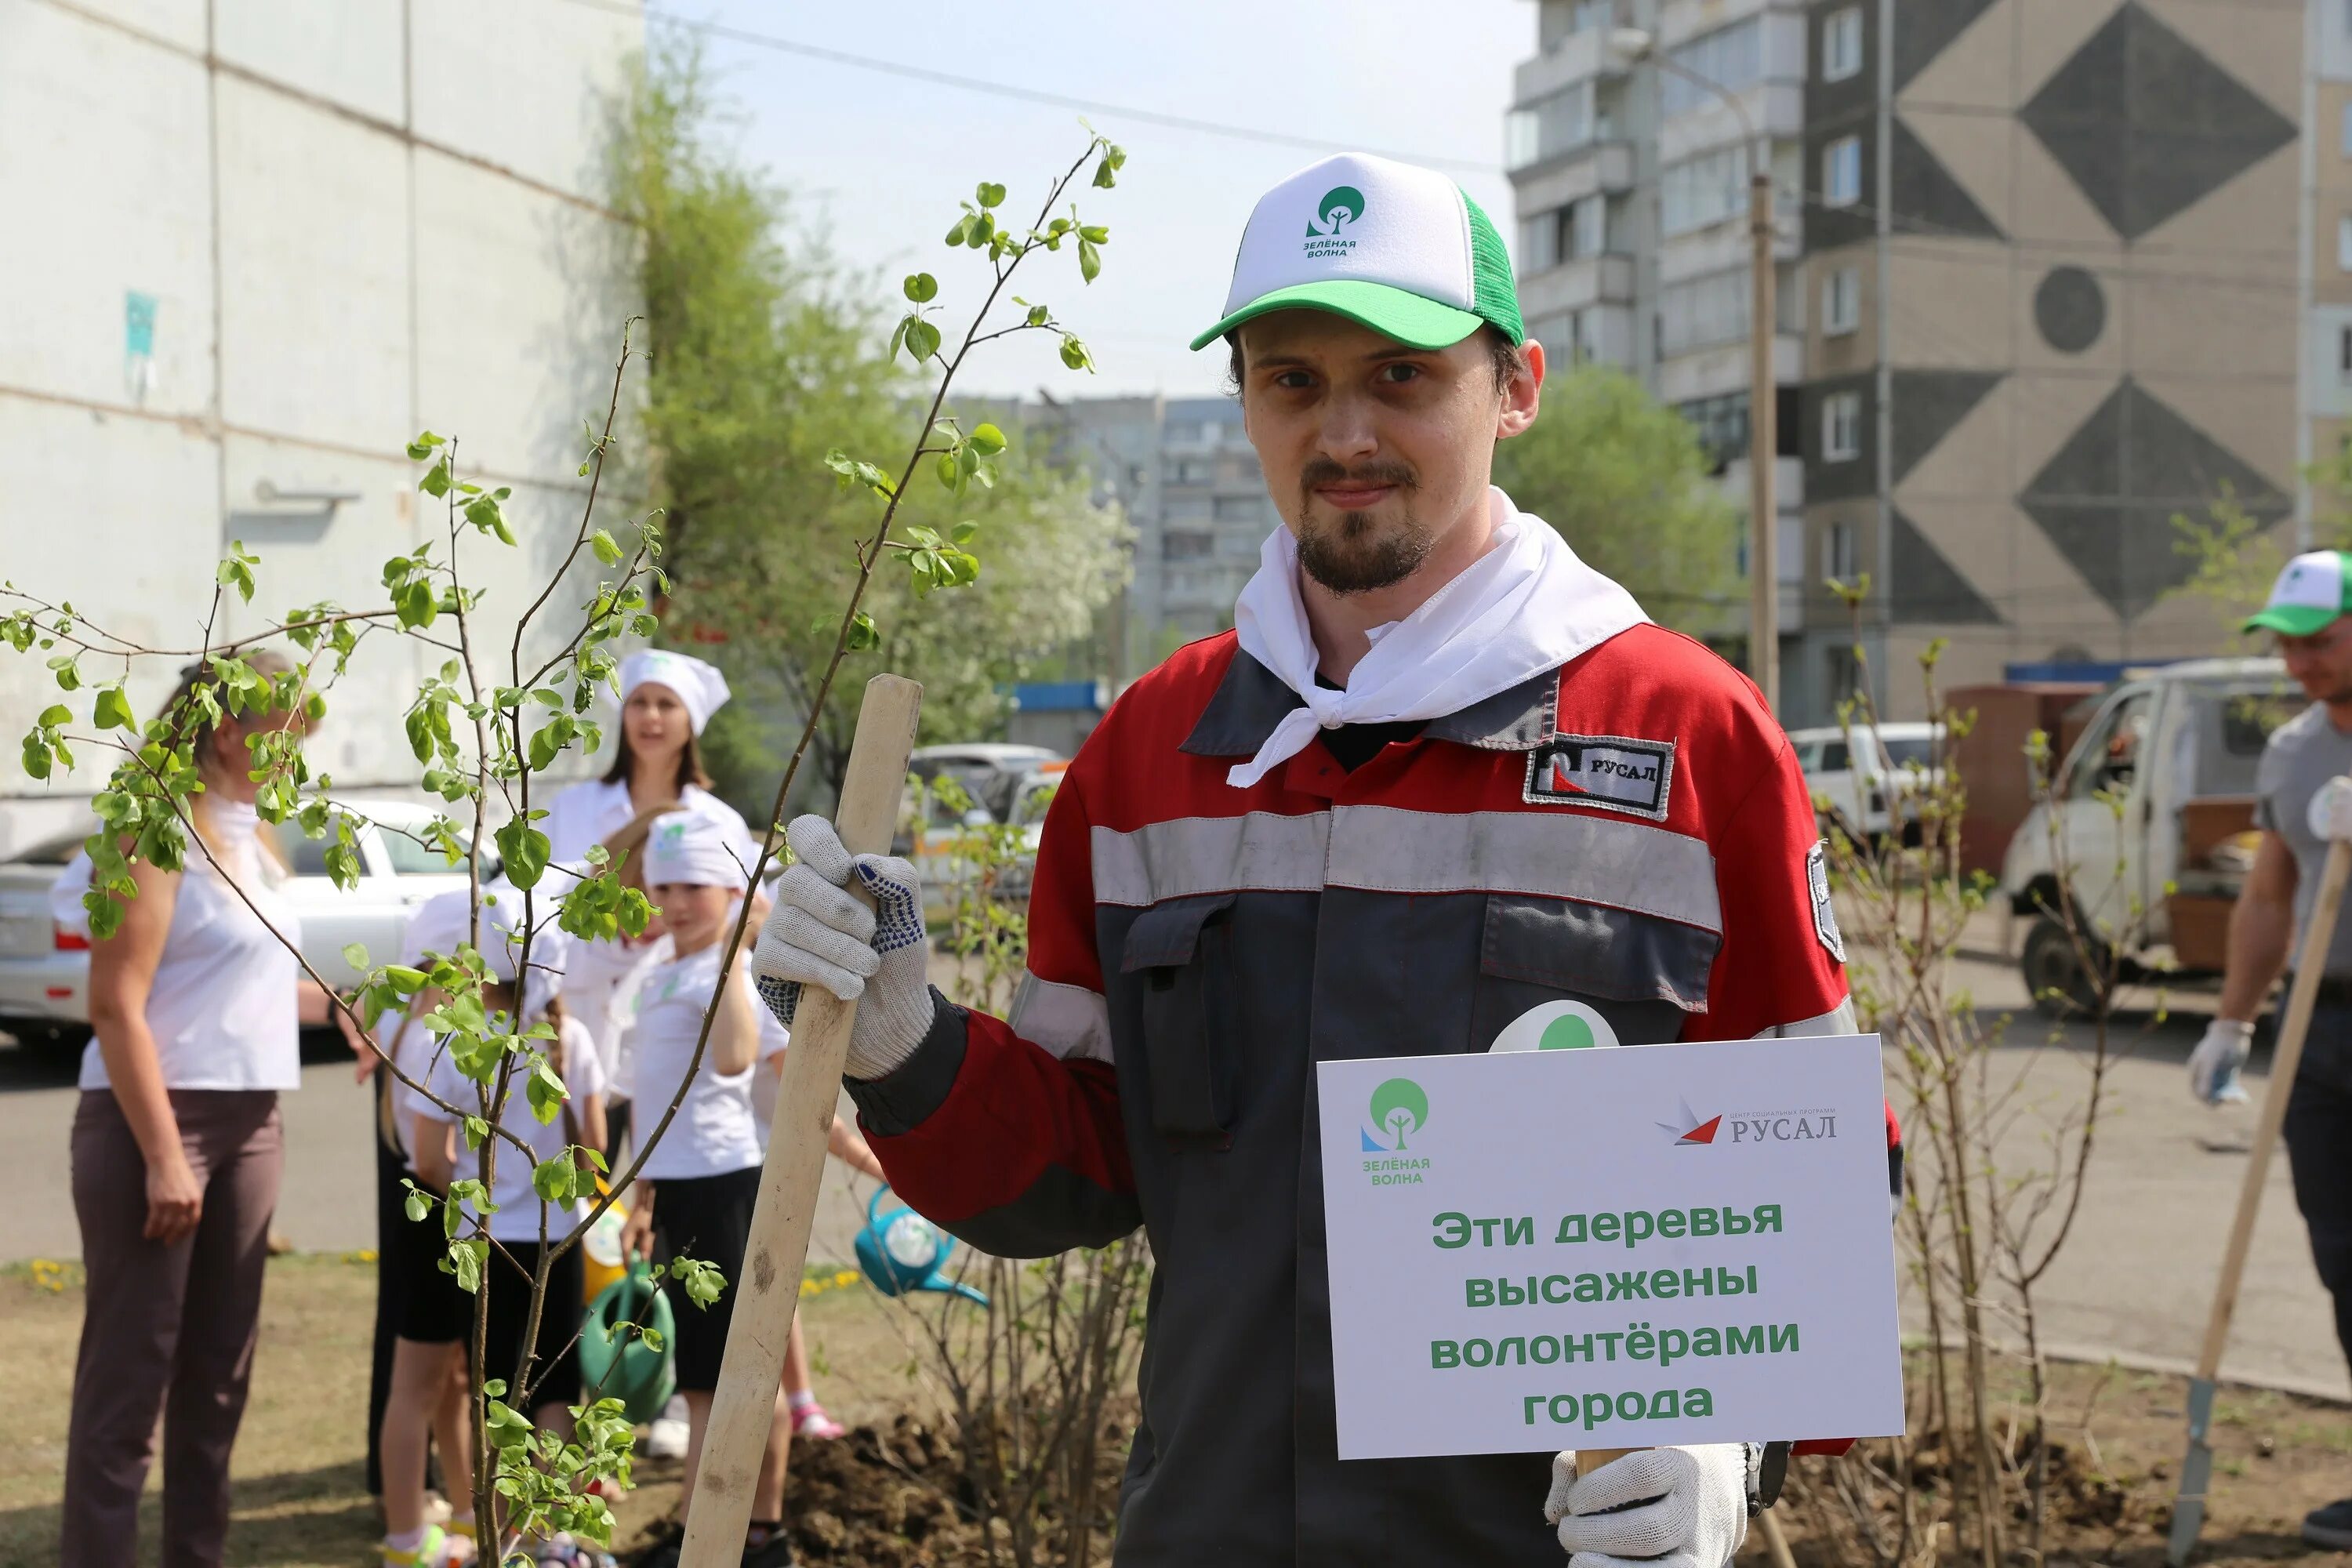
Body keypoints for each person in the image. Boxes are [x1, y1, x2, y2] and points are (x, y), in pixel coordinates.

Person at [753, 153, 1860, 1566]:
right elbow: (1080, 1160)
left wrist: (1734, 1439)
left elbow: (1814, 1172)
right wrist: (901, 1042)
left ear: (1514, 388)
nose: (1345, 430)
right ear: (1248, 404)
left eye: (1401, 376)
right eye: (1292, 380)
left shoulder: (1688, 734)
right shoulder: (1147, 758)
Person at [64, 654, 333, 1567]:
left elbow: (242, 986)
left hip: (254, 1118)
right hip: (153, 1122)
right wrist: (166, 1154)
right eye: (292, 739)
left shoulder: (255, 838)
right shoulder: (150, 831)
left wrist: (351, 1011)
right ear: (232, 733)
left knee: (219, 1382)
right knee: (129, 1383)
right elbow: (116, 1003)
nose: (304, 758)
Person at [2189, 549, 2352, 1551]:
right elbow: (2268, 895)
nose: (2298, 662)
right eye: (2286, 643)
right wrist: (2232, 1019)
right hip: (2322, 1030)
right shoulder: (2293, 752)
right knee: (2344, 1259)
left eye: (2320, 640)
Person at [615, 811, 797, 1568]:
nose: (678, 900)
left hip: (726, 1187)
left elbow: (734, 1060)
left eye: (697, 885)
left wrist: (733, 949)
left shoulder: (731, 974)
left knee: (743, 1371)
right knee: (698, 1380)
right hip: (679, 1193)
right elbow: (653, 1101)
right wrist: (642, 1197)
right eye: (665, 886)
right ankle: (699, 1529)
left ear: (733, 891)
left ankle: (759, 1534)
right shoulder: (658, 969)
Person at [412, 899, 612, 1566]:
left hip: (489, 1242)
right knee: (553, 1387)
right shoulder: (569, 1037)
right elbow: (596, 1148)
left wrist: (475, 1205)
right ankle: (552, 1541)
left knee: (498, 1391)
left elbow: (427, 1160)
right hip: (559, 1242)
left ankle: (505, 1542)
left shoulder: (458, 1040)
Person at [545, 648, 752, 1163]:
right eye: (639, 703)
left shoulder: (719, 821)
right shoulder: (572, 809)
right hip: (583, 1028)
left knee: (669, 1201)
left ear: (691, 722)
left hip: (677, 1038)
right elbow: (534, 910)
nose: (651, 717)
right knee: (577, 1197)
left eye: (666, 704)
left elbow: (753, 916)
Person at [368, 889, 488, 1568]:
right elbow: (429, 1158)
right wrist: (481, 1217)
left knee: (449, 1381)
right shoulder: (435, 1034)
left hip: (431, 1224)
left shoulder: (411, 1028)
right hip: (436, 1227)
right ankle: (407, 1540)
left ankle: (466, 1512)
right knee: (417, 1387)